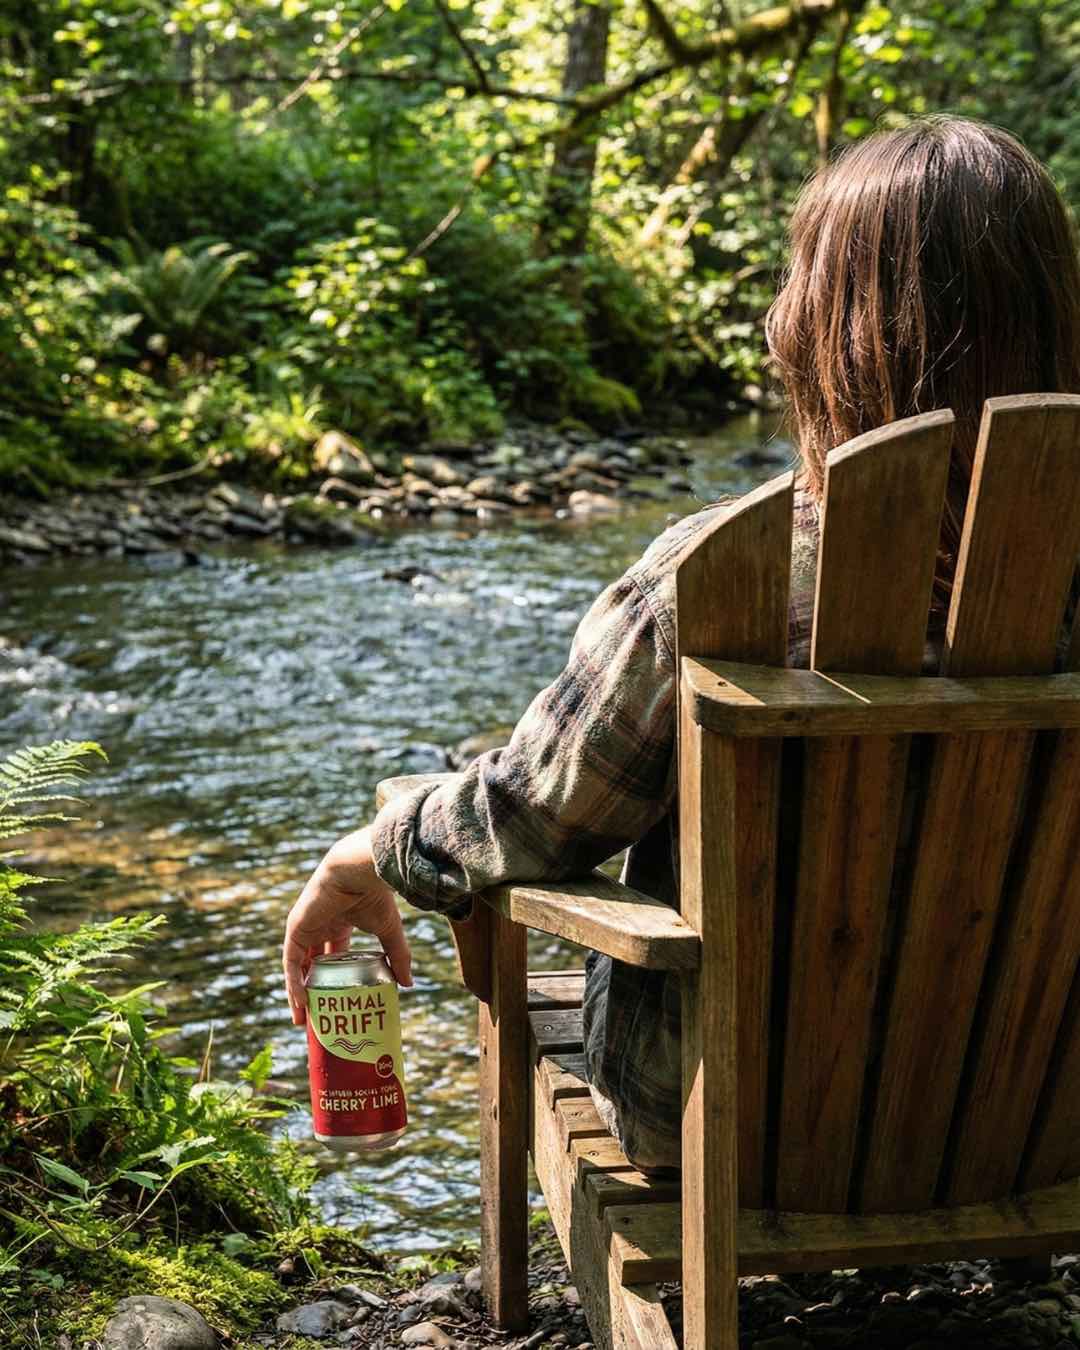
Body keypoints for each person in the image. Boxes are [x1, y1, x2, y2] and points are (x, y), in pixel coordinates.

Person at [283, 116, 1080, 1171]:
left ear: (837, 333)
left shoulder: (716, 576)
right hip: (1043, 1116)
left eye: (799, 279)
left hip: (729, 1126)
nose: (778, 311)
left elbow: (532, 820)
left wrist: (376, 845)